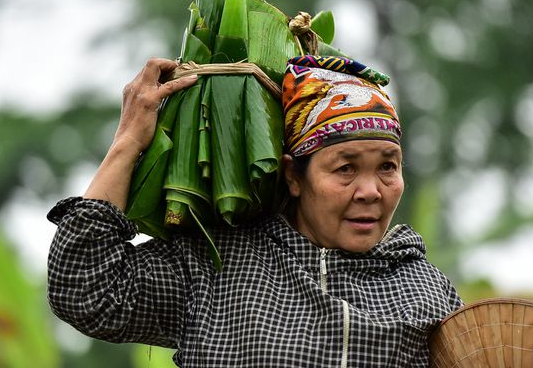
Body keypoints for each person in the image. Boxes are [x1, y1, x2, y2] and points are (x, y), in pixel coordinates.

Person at [47, 55, 462, 367]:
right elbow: (86, 290)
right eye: (346, 168)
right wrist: (128, 142)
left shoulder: (424, 291)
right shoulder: (218, 265)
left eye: (387, 166)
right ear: (294, 177)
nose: (371, 191)